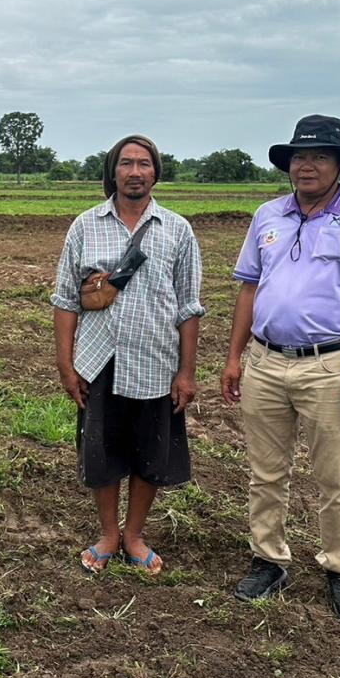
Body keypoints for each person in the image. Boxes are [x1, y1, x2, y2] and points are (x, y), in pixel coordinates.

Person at [220, 115, 340, 619]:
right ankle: (268, 559)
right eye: (299, 156)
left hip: (329, 365)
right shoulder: (268, 216)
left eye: (319, 156)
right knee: (265, 472)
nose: (307, 165)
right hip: (266, 362)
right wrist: (234, 357)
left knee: (335, 475)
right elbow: (249, 289)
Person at [52, 135, 205, 575]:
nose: (135, 172)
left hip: (157, 361)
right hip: (99, 360)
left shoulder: (176, 229)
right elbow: (66, 299)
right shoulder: (85, 225)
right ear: (112, 171)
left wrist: (186, 372)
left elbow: (188, 306)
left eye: (144, 164)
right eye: (126, 163)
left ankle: (134, 535)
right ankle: (108, 535)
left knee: (149, 451)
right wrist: (67, 366)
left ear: (156, 172)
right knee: (101, 450)